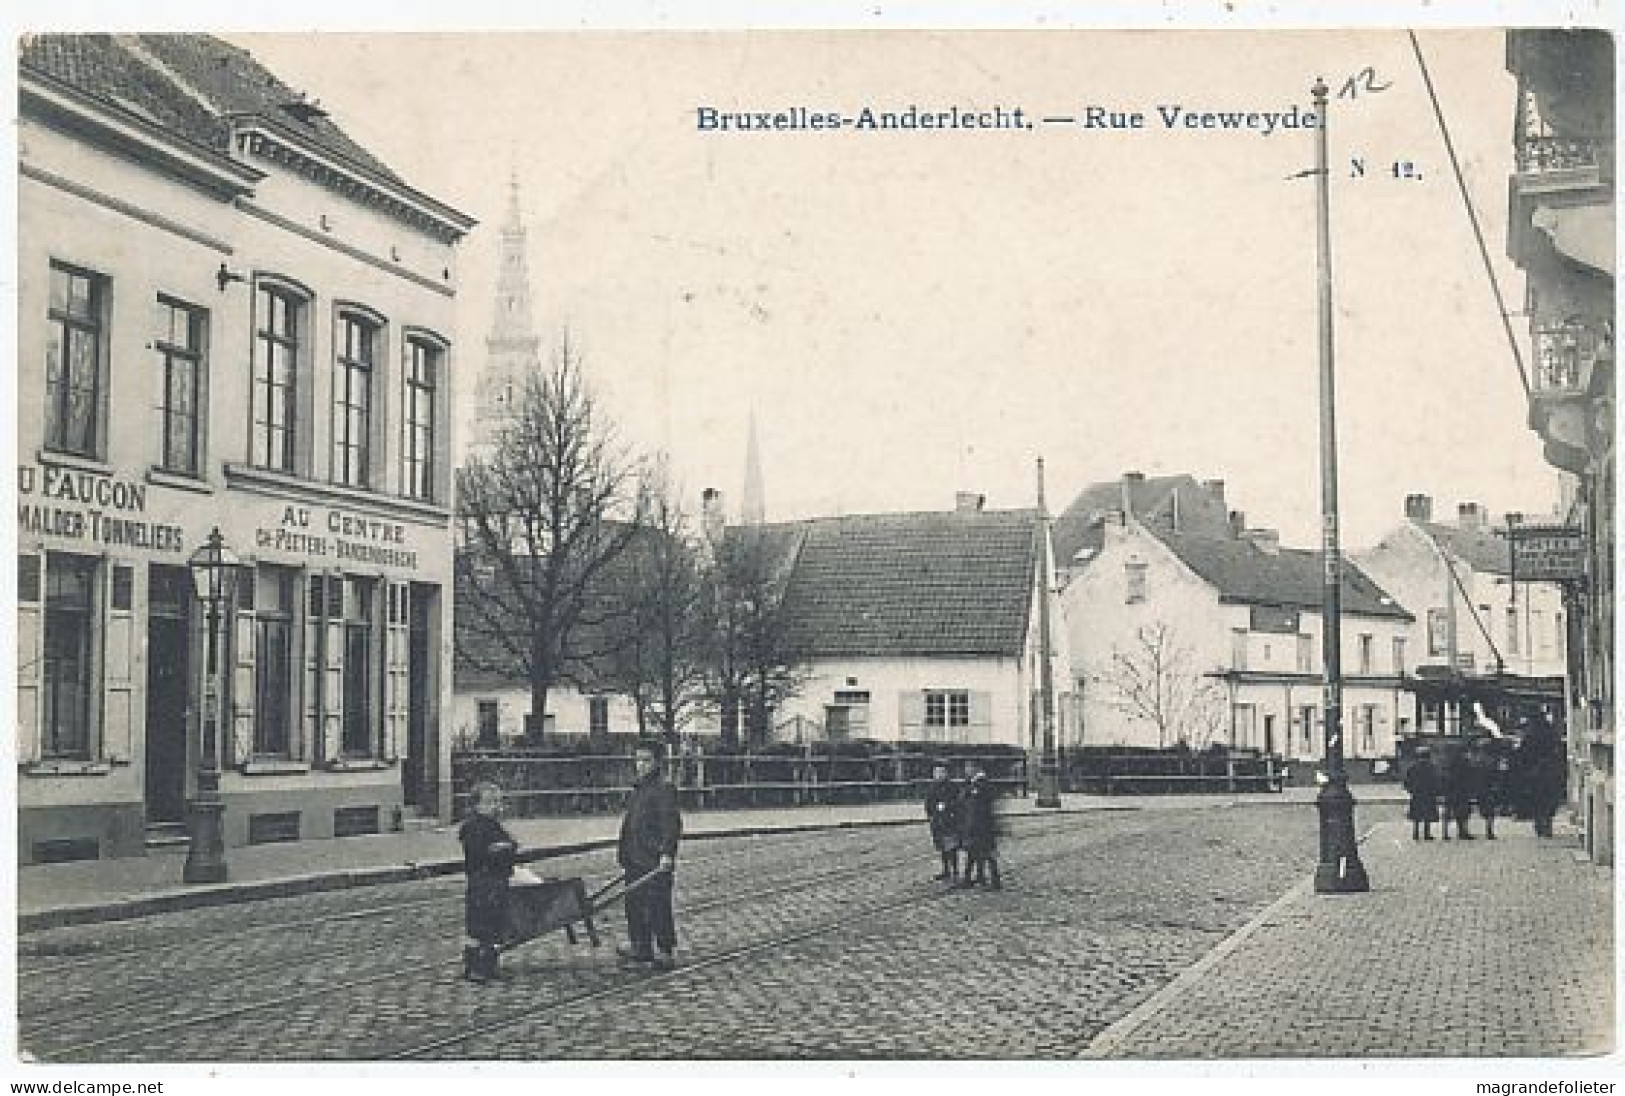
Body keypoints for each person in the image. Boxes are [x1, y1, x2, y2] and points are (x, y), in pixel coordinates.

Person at [617, 742, 683, 970]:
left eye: (646, 760)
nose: (641, 765)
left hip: (654, 859)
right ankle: (640, 946)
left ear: (657, 763)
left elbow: (671, 825)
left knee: (657, 905)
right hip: (634, 857)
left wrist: (667, 853)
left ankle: (664, 950)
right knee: (633, 903)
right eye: (638, 760)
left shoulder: (663, 789)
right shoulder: (639, 789)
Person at [459, 781, 519, 983]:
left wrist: (505, 846)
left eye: (498, 802)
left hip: (498, 881)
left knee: (495, 925)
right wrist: (501, 848)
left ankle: (490, 966)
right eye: (490, 802)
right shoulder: (472, 827)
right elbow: (480, 853)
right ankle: (474, 967)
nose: (496, 806)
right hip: (481, 883)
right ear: (476, 805)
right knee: (479, 926)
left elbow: (512, 844)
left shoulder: (494, 825)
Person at [1517, 715, 1565, 838]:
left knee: (1538, 802)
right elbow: (1559, 753)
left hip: (1535, 775)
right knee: (1549, 801)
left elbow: (1522, 756)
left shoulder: (1530, 737)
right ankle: (1547, 825)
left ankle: (1540, 825)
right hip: (1550, 773)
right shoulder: (1552, 736)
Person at [958, 767, 1002, 890]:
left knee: (984, 854)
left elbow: (975, 809)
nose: (967, 772)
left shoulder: (980, 787)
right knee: (976, 854)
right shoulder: (976, 786)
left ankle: (993, 881)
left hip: (981, 827)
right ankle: (978, 878)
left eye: (970, 770)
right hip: (980, 827)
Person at [924, 763, 962, 882]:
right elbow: (928, 803)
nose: (938, 775)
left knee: (952, 847)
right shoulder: (932, 788)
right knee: (941, 847)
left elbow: (959, 803)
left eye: (941, 772)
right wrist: (931, 815)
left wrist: (948, 807)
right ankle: (946, 870)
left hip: (950, 821)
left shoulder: (953, 788)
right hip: (937, 822)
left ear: (946, 773)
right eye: (936, 773)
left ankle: (955, 871)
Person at [1439, 742, 1475, 841]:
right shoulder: (1465, 762)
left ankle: (1445, 833)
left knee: (1449, 812)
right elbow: (1469, 776)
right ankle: (1463, 831)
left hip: (1450, 790)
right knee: (1463, 812)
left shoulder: (1448, 762)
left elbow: (1443, 776)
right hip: (1462, 790)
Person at [1403, 746, 1441, 841]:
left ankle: (1415, 833)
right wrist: (1436, 791)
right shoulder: (1431, 767)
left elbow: (1407, 782)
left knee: (1417, 815)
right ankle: (1426, 834)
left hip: (1417, 794)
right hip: (1428, 794)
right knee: (1427, 815)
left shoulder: (1413, 768)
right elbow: (1436, 780)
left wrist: (1411, 790)